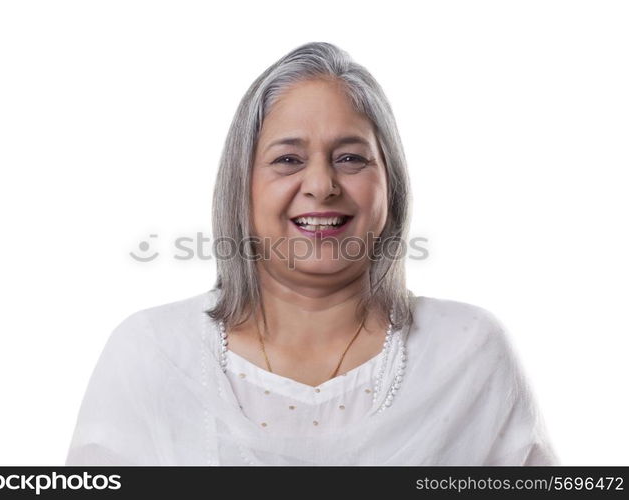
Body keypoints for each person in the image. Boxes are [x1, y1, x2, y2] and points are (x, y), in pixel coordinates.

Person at [65, 42, 558, 465]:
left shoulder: (468, 351)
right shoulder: (153, 352)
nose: (321, 186)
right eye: (288, 160)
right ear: (242, 187)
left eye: (350, 158)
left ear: (391, 184)